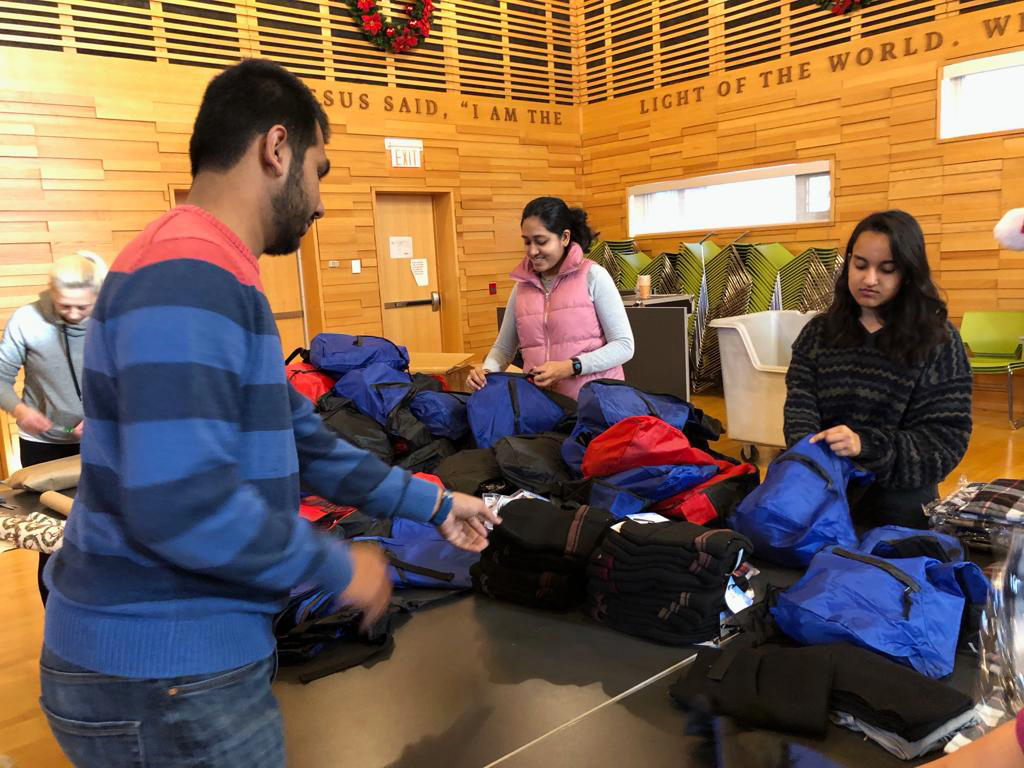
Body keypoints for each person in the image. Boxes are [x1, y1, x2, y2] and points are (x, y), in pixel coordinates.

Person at [38, 59, 499, 768]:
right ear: (275, 149)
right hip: (164, 674)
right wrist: (336, 564)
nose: (318, 202)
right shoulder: (187, 273)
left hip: (176, 672)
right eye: (319, 171)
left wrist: (434, 505)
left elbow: (303, 439)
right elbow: (184, 503)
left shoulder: (213, 272)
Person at [784, 210, 973, 529]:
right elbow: (799, 414)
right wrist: (815, 461)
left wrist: (864, 445)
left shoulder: (938, 341)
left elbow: (944, 442)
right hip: (820, 490)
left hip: (898, 503)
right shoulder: (817, 334)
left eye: (887, 270)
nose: (869, 279)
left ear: (908, 275)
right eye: (860, 265)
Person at [0, 250, 106, 605]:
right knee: (51, 540)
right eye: (65, 307)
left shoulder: (110, 319)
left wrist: (103, 416)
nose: (74, 315)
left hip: (99, 441)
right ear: (50, 294)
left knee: (103, 529)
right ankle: (57, 620)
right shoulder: (26, 320)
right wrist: (19, 408)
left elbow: (129, 377)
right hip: (42, 445)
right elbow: (1, 377)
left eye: (82, 307)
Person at [467, 196, 634, 399]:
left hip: (595, 404)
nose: (532, 251)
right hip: (543, 406)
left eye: (541, 241)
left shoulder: (593, 276)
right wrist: (486, 372)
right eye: (527, 242)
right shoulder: (521, 288)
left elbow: (624, 345)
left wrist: (571, 366)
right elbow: (503, 349)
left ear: (564, 237)